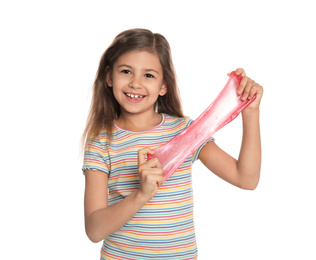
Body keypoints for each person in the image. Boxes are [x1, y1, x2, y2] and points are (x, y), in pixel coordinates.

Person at [82, 28, 263, 259]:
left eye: (148, 75)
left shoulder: (185, 131)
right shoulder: (101, 141)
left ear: (163, 86)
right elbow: (94, 230)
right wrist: (141, 194)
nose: (136, 83)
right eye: (126, 71)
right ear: (109, 77)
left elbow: (246, 178)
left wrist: (250, 114)